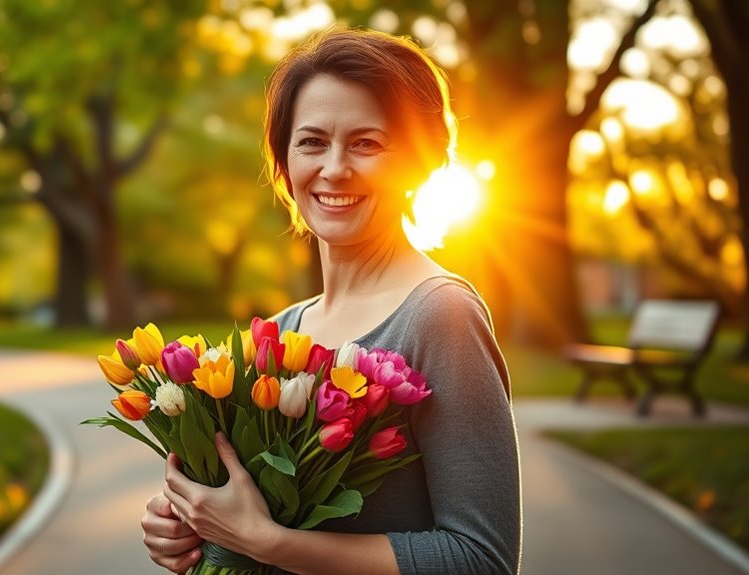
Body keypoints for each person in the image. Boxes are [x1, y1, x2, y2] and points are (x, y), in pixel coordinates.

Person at [141, 27, 521, 575]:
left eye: (367, 143)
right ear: (284, 161)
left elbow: (481, 560)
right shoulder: (274, 336)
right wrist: (185, 527)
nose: (335, 168)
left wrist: (268, 543)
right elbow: (237, 521)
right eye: (312, 141)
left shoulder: (440, 316)